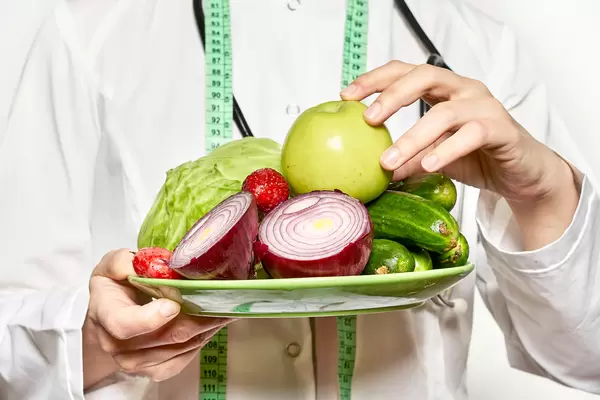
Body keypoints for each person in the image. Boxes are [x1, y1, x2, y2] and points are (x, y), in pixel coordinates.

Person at [1, 0, 599, 399]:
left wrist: (541, 190)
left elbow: (586, 359)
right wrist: (97, 341)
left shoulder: (475, 46)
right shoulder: (88, 33)